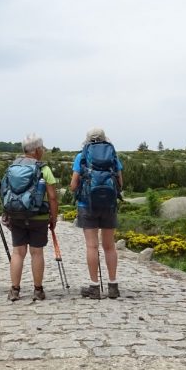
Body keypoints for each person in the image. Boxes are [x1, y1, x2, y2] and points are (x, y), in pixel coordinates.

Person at [69, 127, 123, 299]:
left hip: (87, 205)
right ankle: (113, 286)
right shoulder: (113, 155)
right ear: (104, 138)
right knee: (109, 246)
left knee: (92, 246)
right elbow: (120, 182)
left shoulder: (82, 156)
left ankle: (94, 287)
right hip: (109, 205)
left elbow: (73, 184)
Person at [5, 134, 59, 302]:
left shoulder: (12, 167)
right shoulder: (44, 169)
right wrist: (54, 218)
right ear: (36, 150)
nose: (42, 151)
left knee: (18, 252)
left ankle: (15, 290)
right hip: (38, 216)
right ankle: (38, 290)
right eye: (41, 148)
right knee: (37, 252)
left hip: (16, 215)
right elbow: (52, 197)